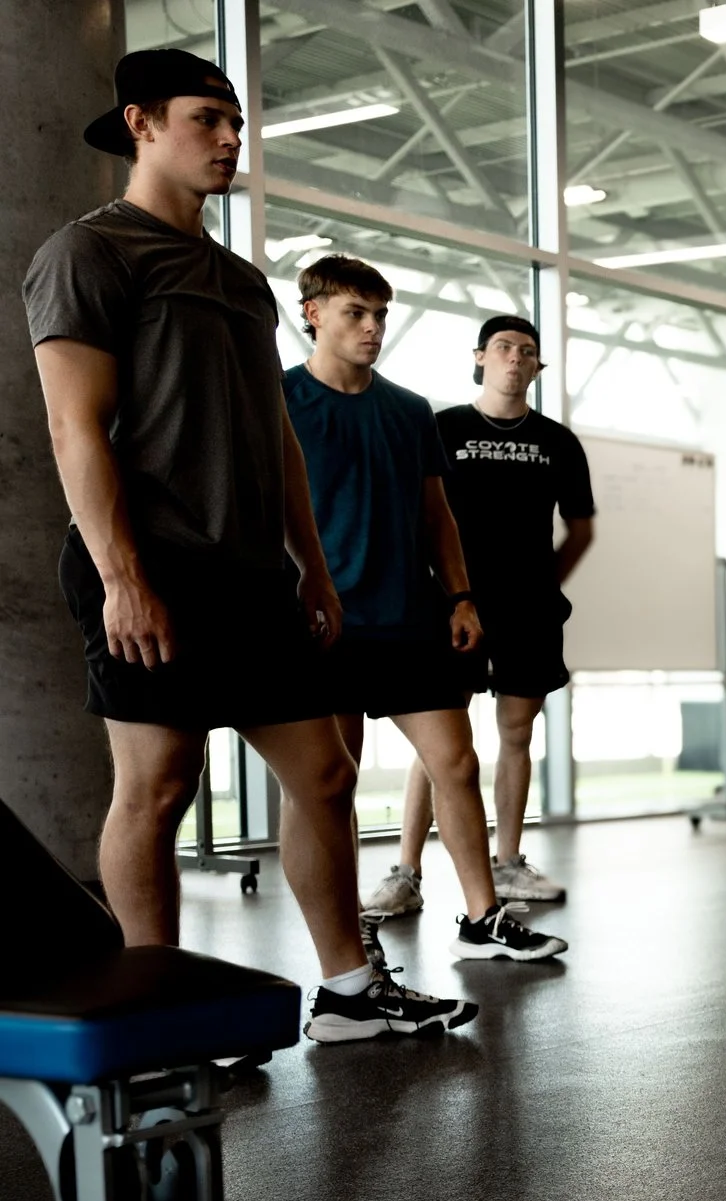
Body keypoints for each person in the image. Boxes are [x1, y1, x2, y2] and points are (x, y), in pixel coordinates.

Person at [26, 49, 473, 1041]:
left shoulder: (241, 282)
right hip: (149, 564)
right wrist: (121, 578)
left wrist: (309, 566)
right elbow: (72, 427)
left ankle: (348, 992)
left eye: (237, 124)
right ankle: (154, 1010)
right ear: (141, 123)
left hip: (254, 575)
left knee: (325, 774)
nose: (231, 140)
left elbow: (276, 438)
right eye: (207, 119)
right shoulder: (90, 252)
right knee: (158, 787)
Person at [286, 255, 566, 967]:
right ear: (312, 313)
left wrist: (461, 596)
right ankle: (346, 938)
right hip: (324, 623)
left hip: (411, 617)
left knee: (456, 762)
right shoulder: (278, 399)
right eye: (356, 313)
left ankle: (482, 918)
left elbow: (438, 516)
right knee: (331, 784)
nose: (373, 327)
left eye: (380, 314)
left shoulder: (411, 412)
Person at [364, 315, 595, 919]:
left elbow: (581, 529)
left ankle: (508, 863)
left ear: (537, 367)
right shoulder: (444, 429)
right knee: (439, 742)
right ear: (480, 357)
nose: (516, 357)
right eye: (504, 347)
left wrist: (543, 584)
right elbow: (419, 516)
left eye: (527, 351)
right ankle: (406, 872)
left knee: (518, 733)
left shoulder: (557, 441)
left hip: (530, 613)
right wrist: (445, 591)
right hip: (453, 606)